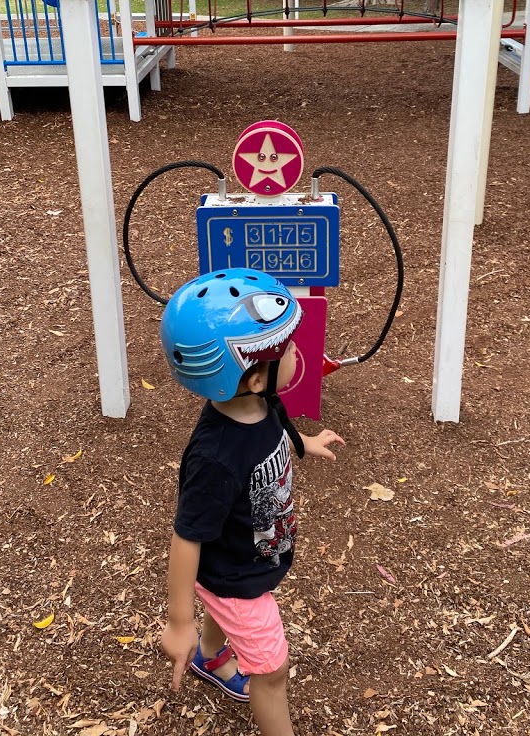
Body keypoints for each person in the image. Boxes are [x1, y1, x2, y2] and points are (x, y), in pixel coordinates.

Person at [159, 268, 345, 736]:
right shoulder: (216, 459)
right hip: (234, 577)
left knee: (228, 615)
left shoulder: (261, 402)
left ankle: (212, 657)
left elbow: (275, 429)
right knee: (271, 671)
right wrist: (178, 621)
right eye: (288, 350)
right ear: (255, 375)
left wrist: (303, 443)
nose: (299, 353)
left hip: (249, 552)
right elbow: (186, 537)